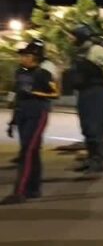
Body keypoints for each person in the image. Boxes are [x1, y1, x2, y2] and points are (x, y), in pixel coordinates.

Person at [2, 40, 59, 204]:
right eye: (22, 55)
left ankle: (20, 191)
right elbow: (17, 93)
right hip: (22, 113)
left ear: (35, 57)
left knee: (27, 151)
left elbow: (55, 93)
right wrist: (13, 120)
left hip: (37, 113)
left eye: (27, 55)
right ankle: (34, 189)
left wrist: (35, 93)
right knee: (31, 152)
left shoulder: (43, 74)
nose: (23, 58)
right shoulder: (20, 72)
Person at [68, 23, 103, 175]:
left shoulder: (96, 50)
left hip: (95, 93)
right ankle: (91, 158)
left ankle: (97, 162)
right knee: (87, 128)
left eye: (73, 36)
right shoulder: (81, 52)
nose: (71, 39)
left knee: (94, 128)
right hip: (84, 93)